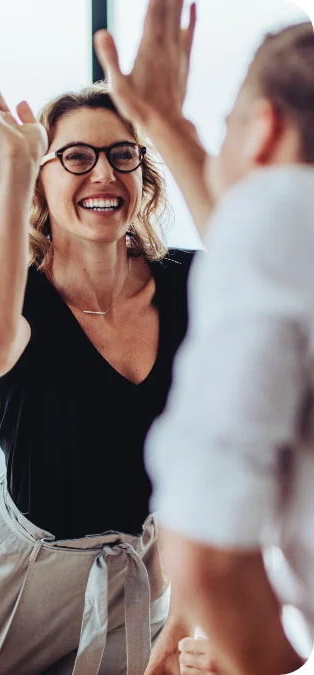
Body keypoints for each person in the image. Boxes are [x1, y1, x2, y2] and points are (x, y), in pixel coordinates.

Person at [0, 6, 211, 674]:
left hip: (134, 572)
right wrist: (14, 160)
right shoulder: (21, 294)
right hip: (13, 581)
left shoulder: (189, 282)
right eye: (75, 157)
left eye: (122, 155)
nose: (102, 174)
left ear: (142, 180)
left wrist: (185, 612)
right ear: (44, 181)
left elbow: (273, 286)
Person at [95, 3, 314, 674]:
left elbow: (205, 545)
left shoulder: (279, 208)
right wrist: (167, 121)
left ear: (266, 128)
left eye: (224, 129)